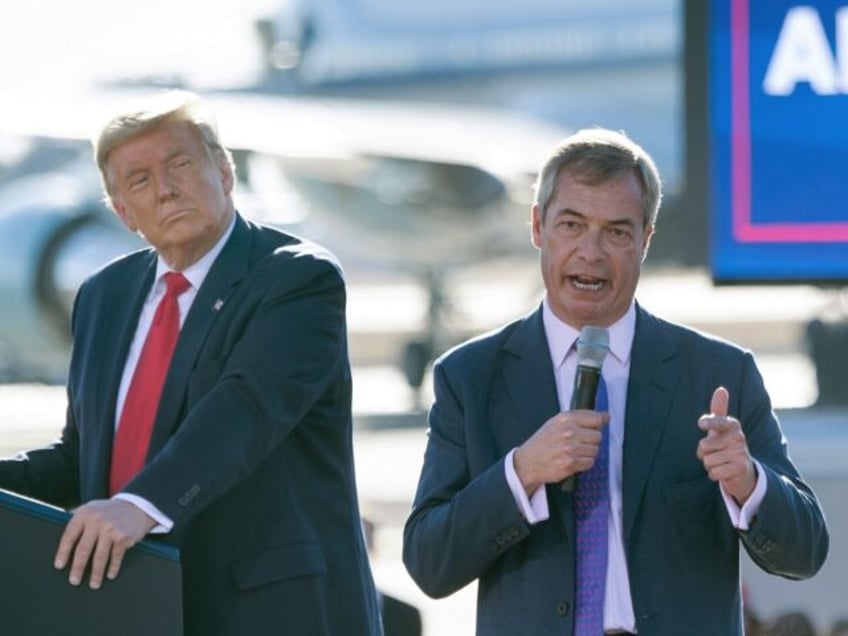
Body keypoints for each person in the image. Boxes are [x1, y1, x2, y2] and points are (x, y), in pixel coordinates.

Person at [402, 127, 829, 635]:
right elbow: (429, 562)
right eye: (572, 225)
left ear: (646, 240)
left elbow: (805, 553)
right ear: (538, 226)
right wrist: (521, 472)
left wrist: (749, 482)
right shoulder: (470, 377)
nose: (591, 252)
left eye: (617, 232)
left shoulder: (718, 375)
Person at [0, 91, 382, 636]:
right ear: (124, 212)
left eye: (180, 164)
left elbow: (246, 410)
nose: (166, 188)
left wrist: (139, 504)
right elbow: (82, 459)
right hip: (136, 606)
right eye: (139, 180)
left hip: (268, 611)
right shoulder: (103, 296)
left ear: (224, 172)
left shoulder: (297, 278)